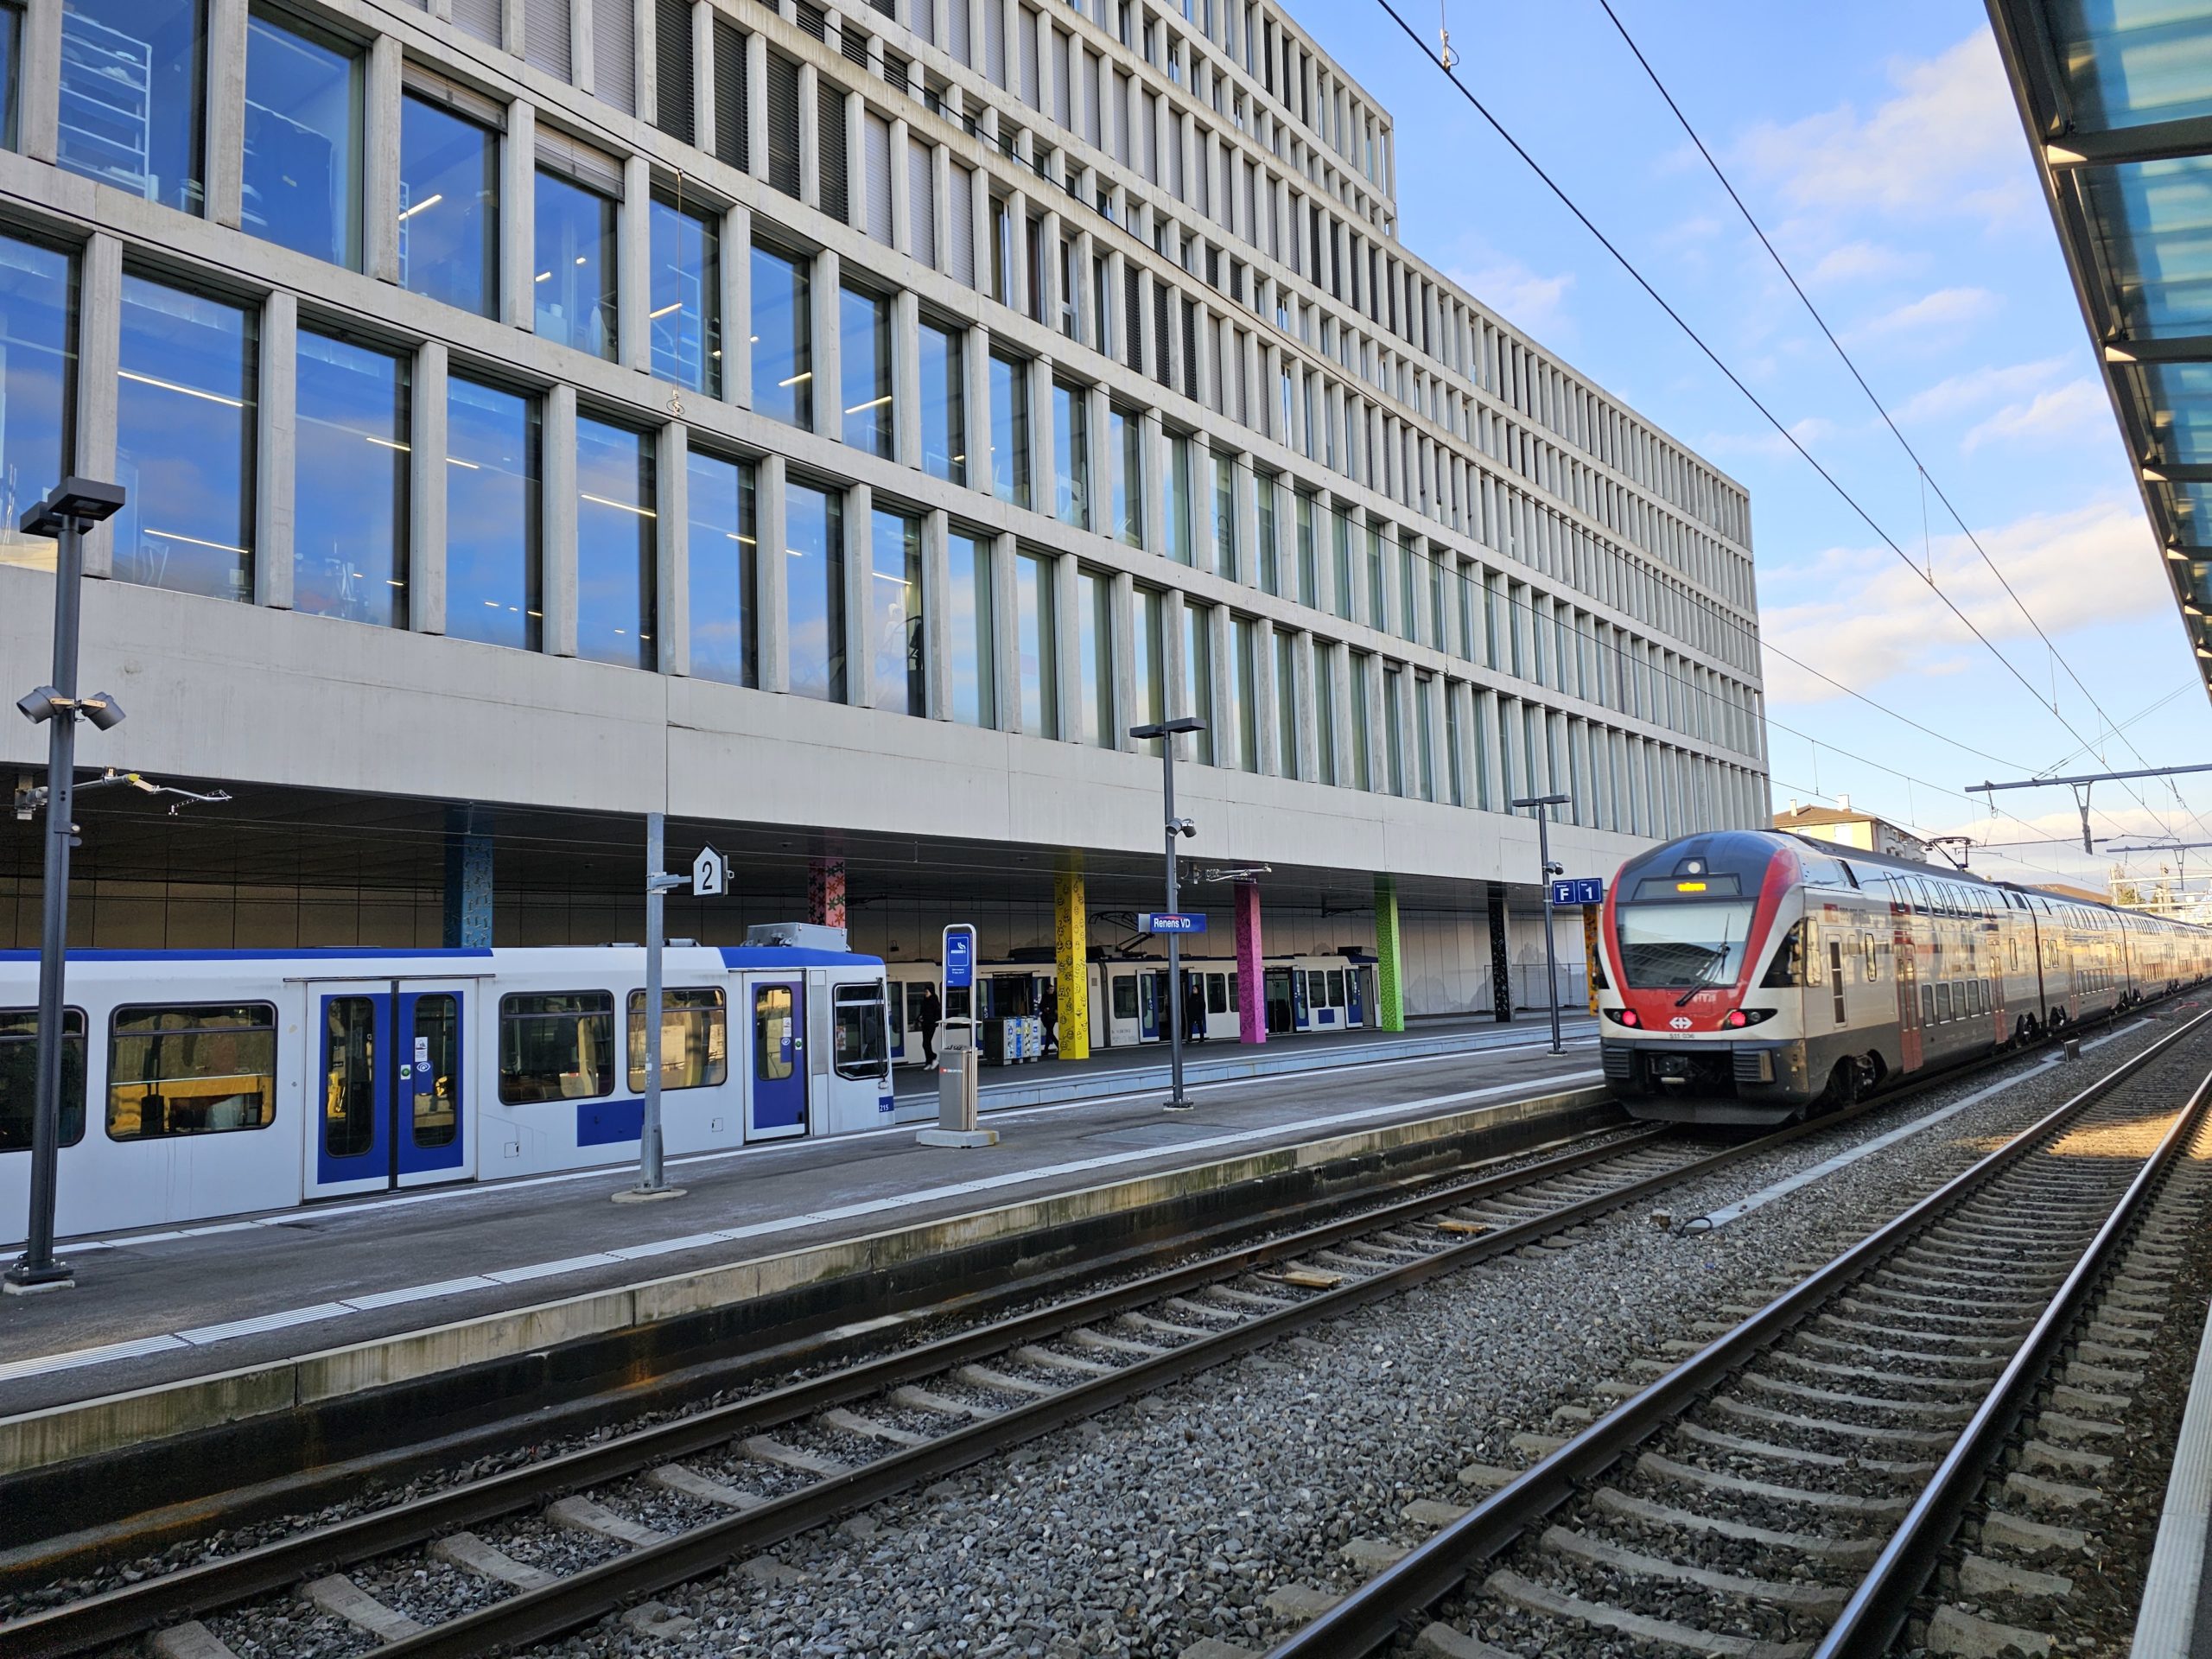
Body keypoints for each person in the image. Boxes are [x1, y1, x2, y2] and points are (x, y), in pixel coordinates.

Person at [918, 984, 943, 1066]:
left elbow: (938, 1013)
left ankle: (931, 1058)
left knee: (926, 1043)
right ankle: (929, 1060)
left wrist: (934, 1021)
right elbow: (922, 1012)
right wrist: (919, 1018)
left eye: (927, 991)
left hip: (931, 1025)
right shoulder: (924, 1001)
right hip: (924, 1024)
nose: (925, 993)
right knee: (926, 1043)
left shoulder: (934, 1001)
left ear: (931, 992)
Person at [1040, 982, 1059, 1057]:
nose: (1052, 991)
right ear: (1047, 990)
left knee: (1049, 1032)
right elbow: (1041, 1006)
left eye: (1053, 989)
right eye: (1050, 989)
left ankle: (1057, 1045)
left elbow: (1058, 1005)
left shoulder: (1055, 996)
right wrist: (1045, 1009)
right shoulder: (1044, 996)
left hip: (1052, 1016)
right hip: (1046, 1017)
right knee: (1049, 1032)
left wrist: (1055, 1010)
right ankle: (1046, 1049)